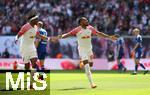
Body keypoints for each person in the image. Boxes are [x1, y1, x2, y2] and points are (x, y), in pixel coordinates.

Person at [59, 17, 116, 88]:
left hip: (89, 49)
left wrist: (109, 37)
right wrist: (62, 36)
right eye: (85, 20)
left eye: (86, 20)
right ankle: (92, 84)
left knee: (91, 64)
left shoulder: (90, 28)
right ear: (81, 23)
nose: (87, 21)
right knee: (87, 67)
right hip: (82, 50)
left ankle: (83, 62)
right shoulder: (77, 29)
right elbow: (69, 34)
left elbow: (98, 33)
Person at [15, 14, 57, 89]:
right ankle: (19, 66)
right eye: (37, 20)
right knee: (27, 67)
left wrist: (50, 39)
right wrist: (16, 39)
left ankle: (31, 84)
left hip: (32, 47)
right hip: (24, 48)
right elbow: (18, 34)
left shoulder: (35, 27)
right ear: (33, 21)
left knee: (34, 64)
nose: (38, 21)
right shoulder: (25, 27)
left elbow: (39, 36)